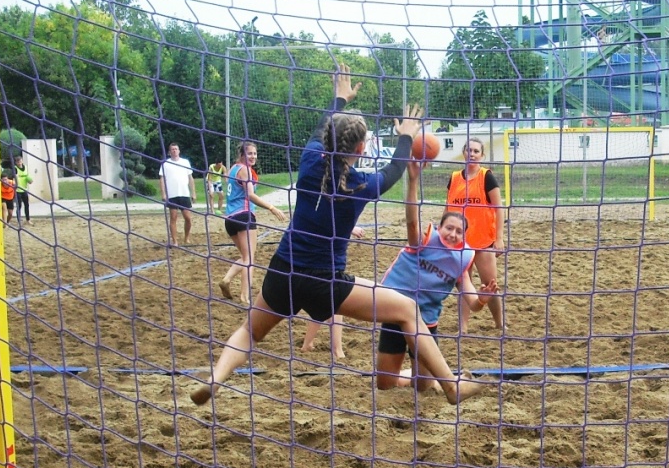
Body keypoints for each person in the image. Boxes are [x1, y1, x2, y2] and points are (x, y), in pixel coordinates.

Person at [191, 66, 484, 406]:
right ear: (360, 148)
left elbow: (323, 126)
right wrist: (406, 134)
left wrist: (340, 97)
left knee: (248, 332)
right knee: (406, 309)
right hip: (326, 282)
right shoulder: (361, 184)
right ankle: (451, 385)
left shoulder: (310, 159)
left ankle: (215, 377)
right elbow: (394, 168)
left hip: (283, 271)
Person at [377, 161, 498, 390]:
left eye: (459, 231)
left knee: (422, 387)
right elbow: (412, 220)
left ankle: (432, 376)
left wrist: (482, 299)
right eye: (449, 228)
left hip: (425, 322)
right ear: (440, 228)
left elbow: (472, 303)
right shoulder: (423, 239)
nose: (453, 234)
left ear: (464, 236)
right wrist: (413, 180)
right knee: (384, 385)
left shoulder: (462, 259)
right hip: (395, 311)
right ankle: (415, 372)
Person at [445, 138, 507, 335]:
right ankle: (463, 328)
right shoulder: (454, 178)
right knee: (464, 285)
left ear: (482, 155)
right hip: (459, 242)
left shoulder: (486, 177)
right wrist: (443, 237)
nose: (472, 153)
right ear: (463, 152)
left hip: (483, 241)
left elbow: (499, 209)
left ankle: (500, 324)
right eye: (469, 150)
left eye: (476, 151)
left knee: (491, 285)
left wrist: (499, 238)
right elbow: (448, 211)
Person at [216, 141, 289, 303]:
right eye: (249, 153)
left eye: (255, 154)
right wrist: (272, 207)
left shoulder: (233, 169)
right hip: (244, 216)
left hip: (230, 219)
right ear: (242, 154)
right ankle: (245, 297)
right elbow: (250, 195)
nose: (253, 156)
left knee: (244, 256)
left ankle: (226, 279)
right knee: (249, 258)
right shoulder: (245, 170)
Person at [298, 225, 366, 361]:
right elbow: (328, 215)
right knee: (334, 297)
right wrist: (350, 228)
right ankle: (337, 349)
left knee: (326, 299)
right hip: (321, 255)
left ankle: (308, 344)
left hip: (317, 255)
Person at [159, 143, 197, 247]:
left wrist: (193, 193)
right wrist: (164, 194)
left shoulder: (185, 162)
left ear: (179, 151)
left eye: (176, 149)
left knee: (188, 218)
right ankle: (175, 241)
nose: (174, 151)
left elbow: (190, 178)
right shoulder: (165, 164)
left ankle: (186, 237)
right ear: (169, 152)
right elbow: (162, 179)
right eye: (172, 149)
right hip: (172, 195)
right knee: (173, 217)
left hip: (184, 193)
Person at [13, 156, 32, 225]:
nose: (19, 162)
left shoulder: (25, 167)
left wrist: (30, 180)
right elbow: (14, 178)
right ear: (16, 162)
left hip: (24, 189)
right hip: (18, 190)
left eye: (20, 161)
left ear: (22, 161)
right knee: (19, 206)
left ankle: (28, 219)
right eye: (18, 161)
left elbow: (27, 176)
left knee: (26, 205)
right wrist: (15, 182)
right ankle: (19, 220)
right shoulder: (15, 168)